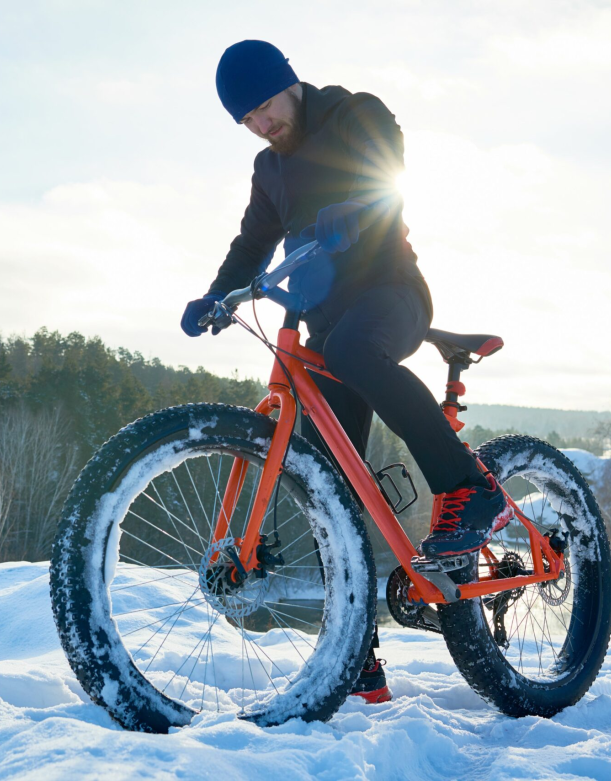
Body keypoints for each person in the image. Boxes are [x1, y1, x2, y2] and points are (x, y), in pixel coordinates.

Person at [181, 40, 513, 704]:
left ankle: (471, 489)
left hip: (391, 293)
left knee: (356, 353)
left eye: (265, 107)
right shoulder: (268, 169)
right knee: (327, 481)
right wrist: (217, 293)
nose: (261, 124)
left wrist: (354, 212)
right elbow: (252, 243)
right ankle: (356, 642)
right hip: (327, 324)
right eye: (245, 118)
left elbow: (386, 168)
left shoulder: (354, 114)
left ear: (289, 85)